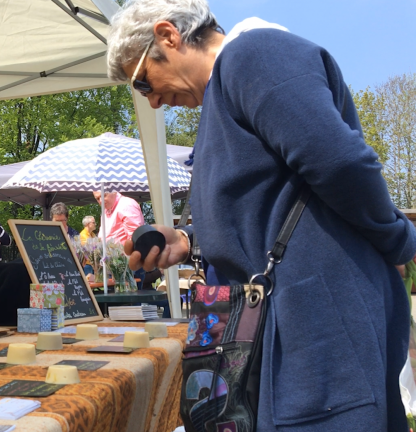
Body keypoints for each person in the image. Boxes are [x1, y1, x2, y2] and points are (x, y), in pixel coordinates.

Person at [108, 1, 416, 430]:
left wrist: (398, 240)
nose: (154, 101)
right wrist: (190, 241)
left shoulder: (253, 53)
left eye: (143, 83)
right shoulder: (227, 90)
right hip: (295, 334)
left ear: (168, 36)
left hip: (318, 338)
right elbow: (264, 207)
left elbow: (338, 161)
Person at [94, 190, 146, 284]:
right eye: (97, 198)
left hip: (128, 267)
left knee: (128, 297)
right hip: (114, 266)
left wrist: (123, 266)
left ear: (113, 191)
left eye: (104, 195)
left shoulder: (126, 205)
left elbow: (136, 239)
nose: (101, 200)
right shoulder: (106, 210)